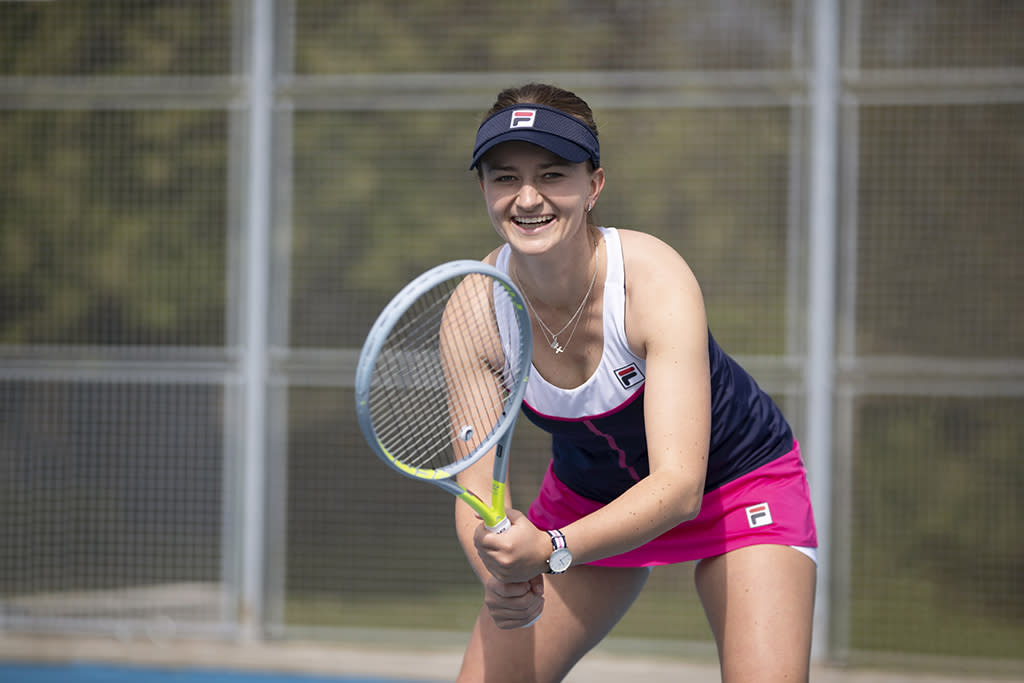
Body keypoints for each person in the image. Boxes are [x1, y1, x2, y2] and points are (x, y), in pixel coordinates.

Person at [454, 83, 817, 683]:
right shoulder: (474, 308)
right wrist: (500, 579)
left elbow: (678, 489)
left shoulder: (653, 280)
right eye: (503, 177)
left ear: (594, 185)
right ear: (484, 190)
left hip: (738, 488)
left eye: (552, 174)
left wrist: (548, 548)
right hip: (586, 500)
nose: (526, 198)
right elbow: (475, 497)